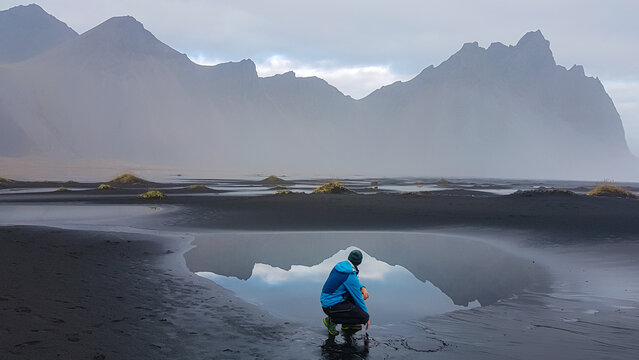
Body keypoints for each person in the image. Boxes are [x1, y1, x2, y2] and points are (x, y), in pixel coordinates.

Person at [320, 249, 370, 335]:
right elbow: (358, 298)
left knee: (351, 296)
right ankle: (331, 321)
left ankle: (347, 324)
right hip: (330, 305)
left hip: (328, 301)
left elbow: (352, 284)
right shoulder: (349, 274)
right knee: (364, 316)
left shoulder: (341, 266)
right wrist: (366, 318)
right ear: (359, 262)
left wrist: (362, 287)